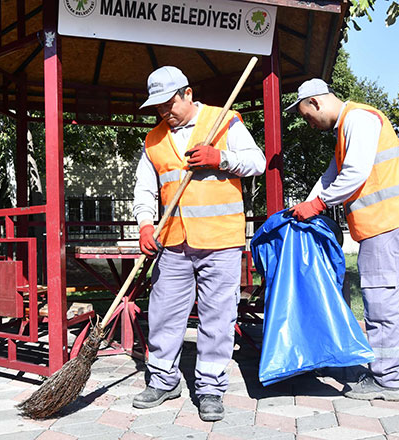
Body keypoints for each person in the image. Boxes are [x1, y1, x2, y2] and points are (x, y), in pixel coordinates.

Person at [131, 66, 265, 421]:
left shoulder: (224, 120)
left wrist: (220, 158)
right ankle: (163, 379)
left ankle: (210, 388)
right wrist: (146, 224)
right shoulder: (153, 140)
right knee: (163, 314)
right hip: (173, 242)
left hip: (221, 241)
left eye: (168, 103)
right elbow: (144, 189)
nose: (164, 112)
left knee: (217, 318)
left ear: (187, 93)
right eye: (157, 107)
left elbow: (258, 162)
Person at [285, 78, 399, 401]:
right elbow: (331, 176)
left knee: (380, 301)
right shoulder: (347, 128)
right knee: (390, 299)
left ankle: (387, 381)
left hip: (386, 223)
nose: (309, 124)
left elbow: (355, 172)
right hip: (393, 222)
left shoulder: (359, 119)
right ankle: (390, 369)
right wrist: (304, 207)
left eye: (307, 116)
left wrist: (318, 206)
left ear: (317, 103)